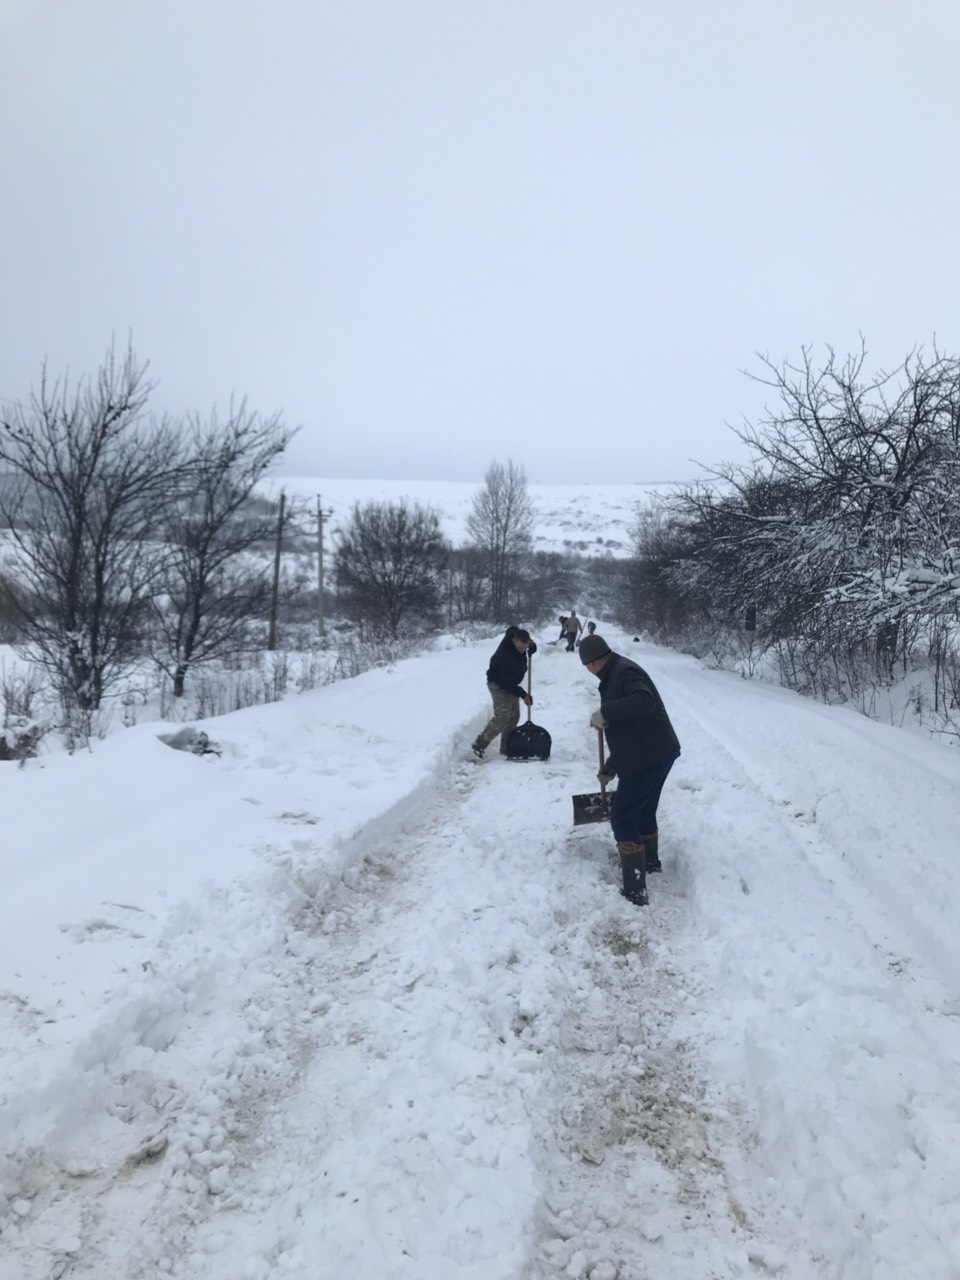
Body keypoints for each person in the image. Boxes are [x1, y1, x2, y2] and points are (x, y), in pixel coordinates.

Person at [578, 633, 680, 905]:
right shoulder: (612, 674)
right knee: (644, 809)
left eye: (592, 663)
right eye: (587, 665)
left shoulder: (625, 671)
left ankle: (635, 888)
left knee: (623, 816)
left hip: (649, 756)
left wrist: (606, 713)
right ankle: (650, 864)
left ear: (602, 658)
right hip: (656, 751)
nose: (590, 669)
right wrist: (612, 765)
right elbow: (630, 730)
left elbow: (644, 701)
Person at [471, 626, 537, 760]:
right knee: (502, 717)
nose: (522, 651)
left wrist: (532, 645)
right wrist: (523, 694)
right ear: (513, 641)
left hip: (511, 682)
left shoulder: (515, 636)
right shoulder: (505, 657)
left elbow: (513, 628)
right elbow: (506, 685)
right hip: (498, 684)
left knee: (514, 717)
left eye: (525, 648)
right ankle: (479, 744)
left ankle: (507, 747)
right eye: (520, 648)